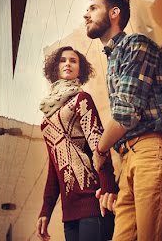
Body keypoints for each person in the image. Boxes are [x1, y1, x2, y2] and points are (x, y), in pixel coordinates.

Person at [85, 0, 162, 241]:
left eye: (93, 8)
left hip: (151, 153)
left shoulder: (135, 44)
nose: (86, 15)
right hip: (129, 161)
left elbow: (126, 114)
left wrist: (100, 149)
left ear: (114, 13)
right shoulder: (114, 57)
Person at [36, 46, 118, 241]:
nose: (67, 64)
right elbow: (54, 167)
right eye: (63, 60)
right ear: (54, 68)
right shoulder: (46, 120)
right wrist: (45, 210)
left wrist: (108, 188)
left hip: (95, 200)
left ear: (80, 70)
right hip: (69, 211)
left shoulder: (82, 100)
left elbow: (99, 145)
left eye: (73, 61)